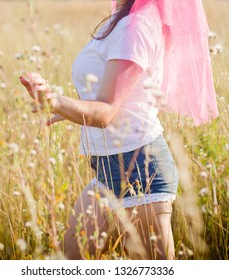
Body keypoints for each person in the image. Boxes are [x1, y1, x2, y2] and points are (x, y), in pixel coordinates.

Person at [20, 0, 218, 260]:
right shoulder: (126, 20)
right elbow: (115, 98)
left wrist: (54, 100)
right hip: (108, 171)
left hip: (141, 172)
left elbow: (105, 111)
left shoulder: (135, 26)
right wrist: (68, 108)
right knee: (69, 259)